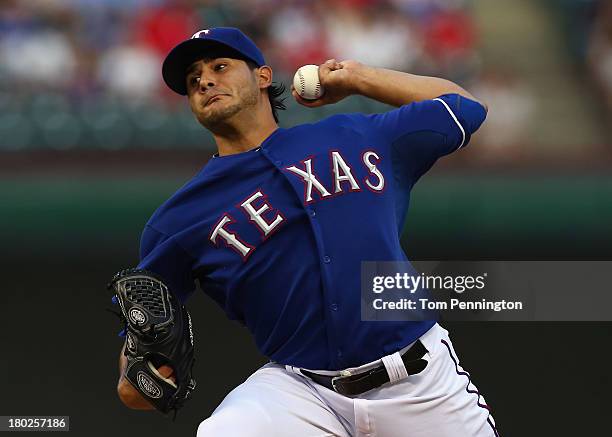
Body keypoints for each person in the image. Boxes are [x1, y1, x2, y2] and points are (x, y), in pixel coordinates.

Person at [115, 27, 498, 437]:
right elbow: (137, 360)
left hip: (421, 384)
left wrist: (356, 78)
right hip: (300, 393)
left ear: (263, 76)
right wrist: (138, 380)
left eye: (220, 67)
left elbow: (464, 108)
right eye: (193, 80)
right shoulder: (178, 219)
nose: (205, 80)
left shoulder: (353, 135)